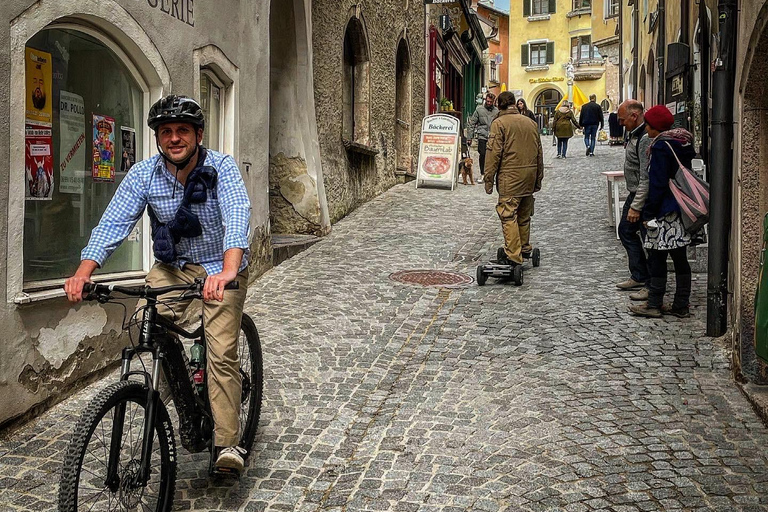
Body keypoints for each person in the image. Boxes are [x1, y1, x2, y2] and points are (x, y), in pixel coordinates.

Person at [64, 95, 253, 474]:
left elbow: (237, 215)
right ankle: (180, 395)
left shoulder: (222, 168)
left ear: (198, 134)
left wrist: (228, 271)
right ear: (157, 138)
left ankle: (227, 443)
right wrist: (84, 272)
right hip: (172, 268)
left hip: (220, 267)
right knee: (145, 328)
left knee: (220, 352)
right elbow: (114, 222)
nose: (174, 138)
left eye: (182, 130)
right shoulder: (144, 175)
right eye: (166, 132)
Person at [629, 105, 693, 319]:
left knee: (656, 258)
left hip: (664, 211)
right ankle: (681, 304)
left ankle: (654, 303)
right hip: (680, 209)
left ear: (655, 126)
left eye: (648, 124)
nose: (646, 128)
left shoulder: (660, 147)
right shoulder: (681, 142)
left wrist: (648, 214)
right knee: (680, 259)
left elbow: (657, 184)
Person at [483, 91, 544, 266]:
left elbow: (493, 153)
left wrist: (489, 180)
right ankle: (524, 247)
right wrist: (538, 178)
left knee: (508, 214)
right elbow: (539, 153)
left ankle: (513, 255)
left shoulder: (499, 123)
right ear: (515, 104)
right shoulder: (531, 123)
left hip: (510, 177)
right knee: (524, 215)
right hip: (529, 176)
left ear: (498, 106)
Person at [615, 100, 652, 296]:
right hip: (635, 193)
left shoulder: (645, 137)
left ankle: (650, 284)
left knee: (649, 241)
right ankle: (639, 275)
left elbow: (645, 176)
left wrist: (636, 206)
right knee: (626, 231)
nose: (620, 123)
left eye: (623, 119)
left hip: (641, 196)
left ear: (634, 116)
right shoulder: (635, 134)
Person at [467, 92, 499, 183]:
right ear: (485, 100)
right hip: (482, 136)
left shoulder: (496, 111)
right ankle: (483, 173)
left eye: (491, 102)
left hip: (493, 136)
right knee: (483, 154)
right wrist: (470, 137)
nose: (489, 103)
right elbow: (472, 123)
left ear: (493, 102)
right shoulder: (479, 110)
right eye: (488, 101)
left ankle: (491, 175)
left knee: (493, 156)